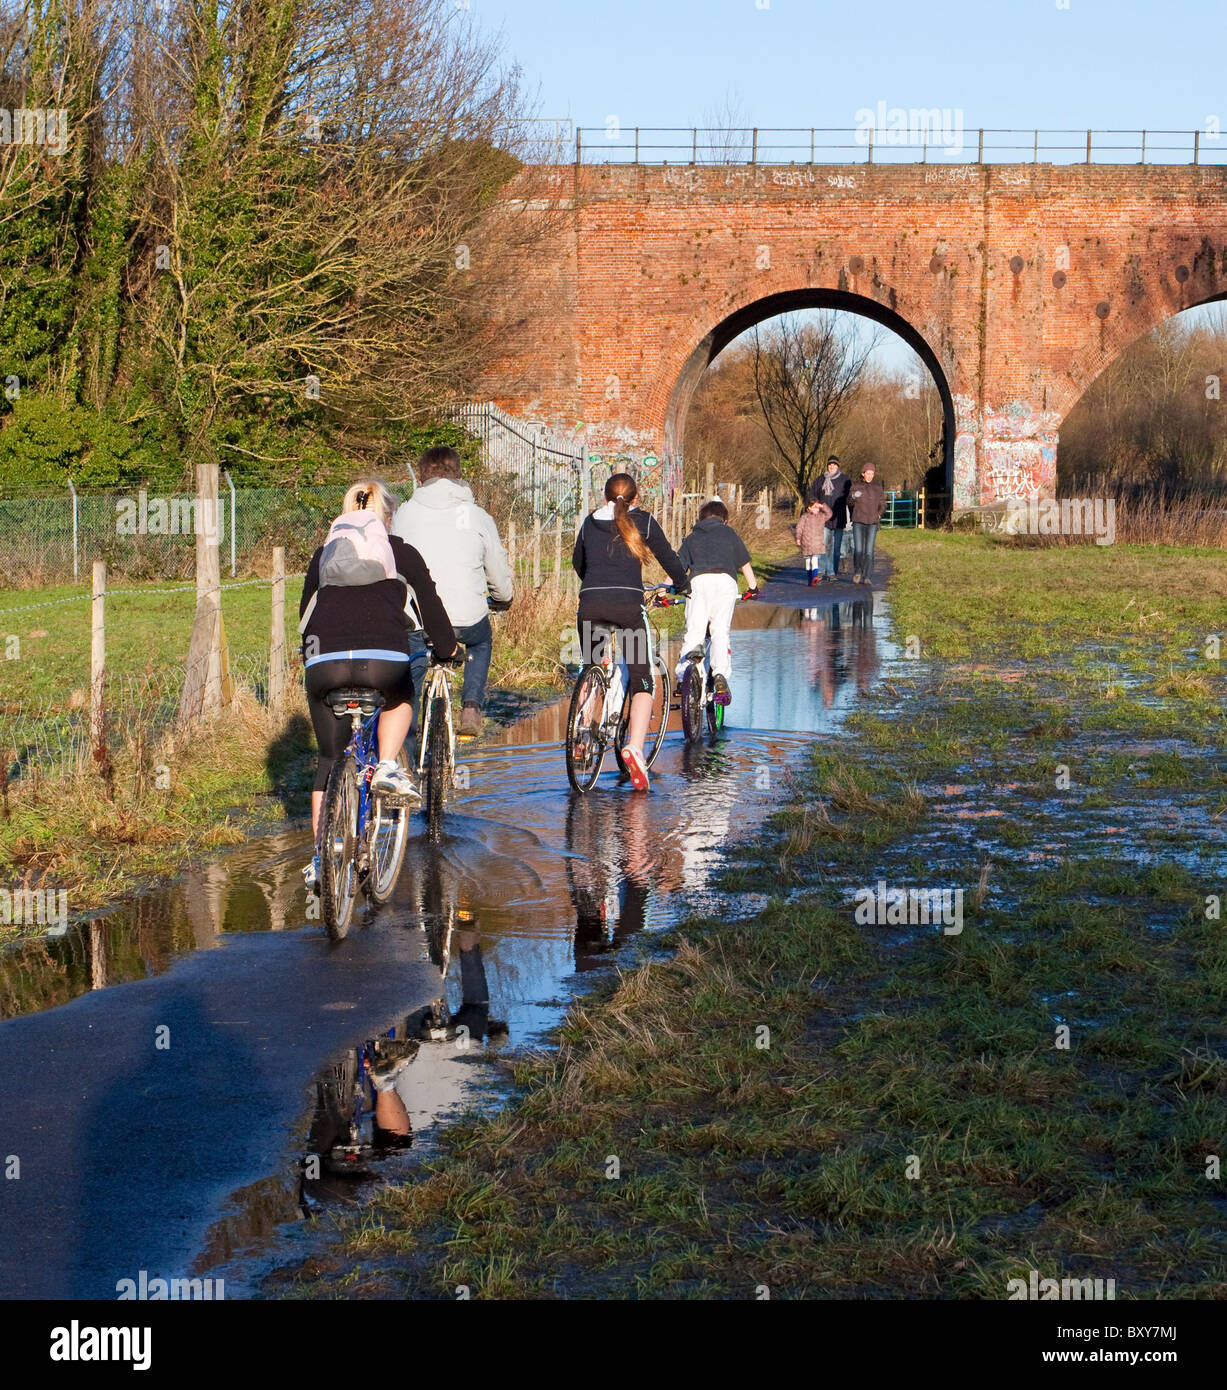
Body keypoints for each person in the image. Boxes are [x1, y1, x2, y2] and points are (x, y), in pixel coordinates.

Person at [299, 480, 458, 889]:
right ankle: (387, 764)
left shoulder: (323, 555)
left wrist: (315, 659)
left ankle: (321, 858)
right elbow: (431, 607)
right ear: (386, 518)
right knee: (400, 691)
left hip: (325, 664)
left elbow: (305, 618)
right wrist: (446, 648)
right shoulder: (400, 551)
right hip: (382, 663)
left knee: (329, 760)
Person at [571, 472, 688, 792]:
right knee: (643, 680)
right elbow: (671, 559)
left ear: (604, 496)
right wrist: (683, 584)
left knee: (590, 666)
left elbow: (576, 563)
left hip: (590, 605)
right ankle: (634, 748)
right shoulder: (644, 521)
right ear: (635, 498)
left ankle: (581, 735)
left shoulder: (589, 522)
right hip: (628, 608)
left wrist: (594, 581)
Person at [390, 446, 514, 739]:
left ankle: (406, 727)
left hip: (418, 618)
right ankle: (471, 707)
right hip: (465, 616)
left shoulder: (403, 514)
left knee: (413, 657)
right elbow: (496, 567)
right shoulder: (476, 515)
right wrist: (502, 598)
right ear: (459, 477)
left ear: (421, 479)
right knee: (482, 641)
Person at [674, 497, 757, 705]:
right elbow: (743, 563)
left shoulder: (692, 537)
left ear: (701, 519)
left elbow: (677, 566)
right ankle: (720, 674)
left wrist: (663, 591)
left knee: (694, 630)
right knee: (720, 630)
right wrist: (753, 588)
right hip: (725, 583)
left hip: (698, 583)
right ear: (724, 520)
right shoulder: (729, 533)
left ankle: (684, 676)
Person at [809, 455, 850, 580]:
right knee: (822, 545)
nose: (832, 466)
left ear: (838, 466)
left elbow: (850, 498)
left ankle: (832, 572)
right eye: (830, 464)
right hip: (823, 518)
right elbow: (812, 495)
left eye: (834, 464)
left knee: (836, 547)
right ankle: (821, 570)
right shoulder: (820, 480)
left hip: (839, 517)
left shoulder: (844, 480)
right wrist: (813, 506)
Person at [848, 463, 888, 585]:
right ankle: (858, 572)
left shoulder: (877, 488)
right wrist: (854, 496)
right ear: (863, 474)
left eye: (872, 473)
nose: (870, 476)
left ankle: (867, 576)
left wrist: (879, 515)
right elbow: (849, 502)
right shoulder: (855, 486)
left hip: (872, 523)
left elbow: (883, 504)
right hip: (858, 522)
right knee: (859, 550)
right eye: (868, 473)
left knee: (869, 551)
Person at [793, 497, 832, 586]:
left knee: (814, 560)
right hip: (806, 543)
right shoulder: (804, 517)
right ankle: (810, 579)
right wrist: (798, 538)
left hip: (817, 543)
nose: (817, 509)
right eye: (814, 507)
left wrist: (822, 506)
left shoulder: (821, 516)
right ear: (809, 507)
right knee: (808, 561)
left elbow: (829, 514)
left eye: (817, 507)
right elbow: (799, 528)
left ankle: (814, 578)